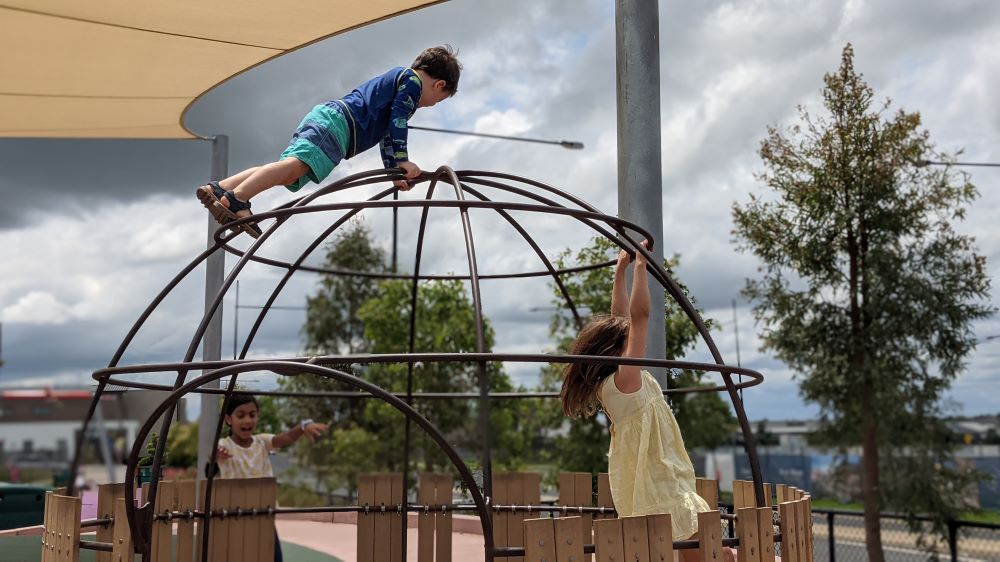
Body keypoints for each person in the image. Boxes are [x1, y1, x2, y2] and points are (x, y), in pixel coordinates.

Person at [560, 242, 732, 562]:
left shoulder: (613, 381)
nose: (635, 344)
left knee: (702, 545)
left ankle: (723, 555)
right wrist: (642, 266)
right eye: (627, 342)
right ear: (614, 351)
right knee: (699, 544)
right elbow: (638, 318)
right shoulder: (625, 379)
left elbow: (622, 318)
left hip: (653, 477)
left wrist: (620, 272)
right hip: (658, 479)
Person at [197, 45, 462, 238]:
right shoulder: (412, 84)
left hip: (330, 122)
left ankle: (222, 188)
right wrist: (404, 160)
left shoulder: (403, 85)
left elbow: (387, 135)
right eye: (436, 101)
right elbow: (398, 124)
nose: (429, 105)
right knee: (293, 169)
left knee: (289, 172)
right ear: (439, 85)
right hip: (337, 126)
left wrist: (393, 170)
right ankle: (236, 199)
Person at [215, 394, 329, 562]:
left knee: (274, 557)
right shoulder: (224, 445)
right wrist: (216, 455)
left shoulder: (261, 442)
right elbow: (211, 457)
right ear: (228, 419)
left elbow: (286, 437)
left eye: (252, 415)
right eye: (241, 415)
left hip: (263, 512)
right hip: (237, 515)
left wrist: (304, 426)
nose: (247, 420)